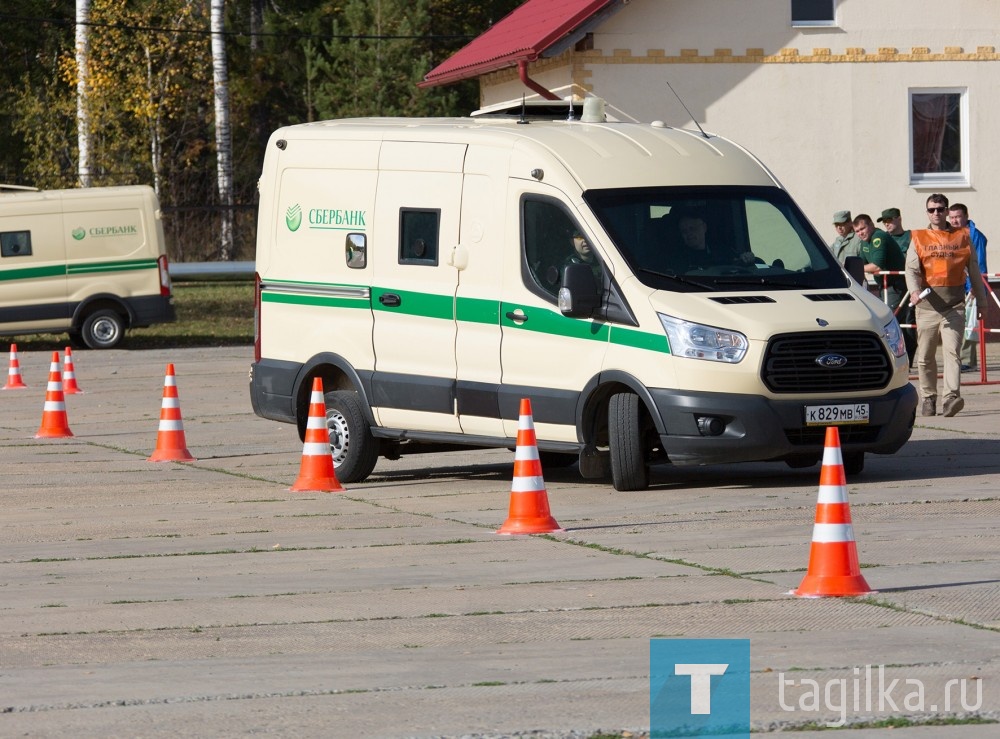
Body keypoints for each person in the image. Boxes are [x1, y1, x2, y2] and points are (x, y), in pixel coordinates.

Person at [905, 193, 988, 417]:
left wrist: (983, 303)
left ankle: (951, 397)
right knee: (925, 356)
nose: (936, 213)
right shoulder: (919, 238)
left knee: (953, 354)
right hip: (927, 308)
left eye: (940, 209)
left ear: (947, 211)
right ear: (927, 212)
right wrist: (914, 291)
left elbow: (974, 272)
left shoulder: (963, 237)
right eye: (932, 209)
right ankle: (929, 398)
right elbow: (911, 270)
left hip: (954, 307)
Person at [854, 213, 914, 362]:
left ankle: (900, 360)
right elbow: (861, 264)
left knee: (890, 323)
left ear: (871, 225)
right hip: (885, 286)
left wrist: (850, 269)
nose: (860, 233)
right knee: (899, 323)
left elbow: (876, 265)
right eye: (857, 231)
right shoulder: (864, 242)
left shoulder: (878, 237)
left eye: (863, 228)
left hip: (896, 285)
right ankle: (905, 360)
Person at [947, 203, 989, 372]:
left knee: (969, 325)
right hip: (954, 284)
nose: (955, 220)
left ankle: (968, 361)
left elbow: (978, 263)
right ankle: (957, 359)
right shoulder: (950, 234)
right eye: (952, 217)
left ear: (965, 216)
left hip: (970, 286)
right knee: (956, 322)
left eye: (958, 216)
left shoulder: (975, 236)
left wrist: (975, 287)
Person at [878, 207, 917, 366]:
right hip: (888, 286)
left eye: (890, 220)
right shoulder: (883, 239)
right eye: (884, 222)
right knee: (890, 324)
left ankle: (908, 361)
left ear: (899, 219)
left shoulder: (911, 236)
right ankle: (894, 360)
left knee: (908, 324)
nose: (887, 224)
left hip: (907, 285)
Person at [674, 210, 755, 271]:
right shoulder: (678, 258)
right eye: (684, 231)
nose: (689, 233)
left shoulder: (723, 251)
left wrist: (747, 258)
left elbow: (738, 262)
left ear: (704, 227)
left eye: (693, 228)